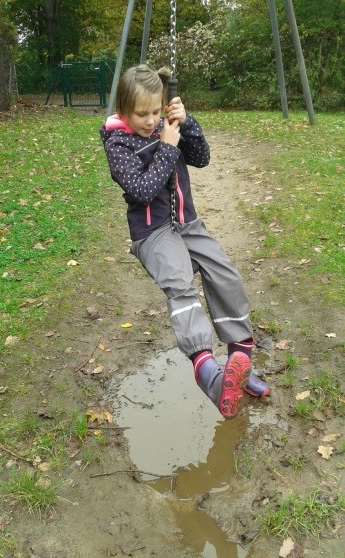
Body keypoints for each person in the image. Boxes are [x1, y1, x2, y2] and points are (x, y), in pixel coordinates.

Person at [100, 64, 270, 419]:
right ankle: (211, 378)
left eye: (156, 111)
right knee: (181, 286)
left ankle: (240, 369)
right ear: (123, 109)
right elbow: (142, 191)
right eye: (142, 114)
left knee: (226, 276)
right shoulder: (118, 143)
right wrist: (166, 146)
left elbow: (202, 159)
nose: (151, 120)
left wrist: (186, 122)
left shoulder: (167, 125)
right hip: (153, 234)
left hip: (188, 224)